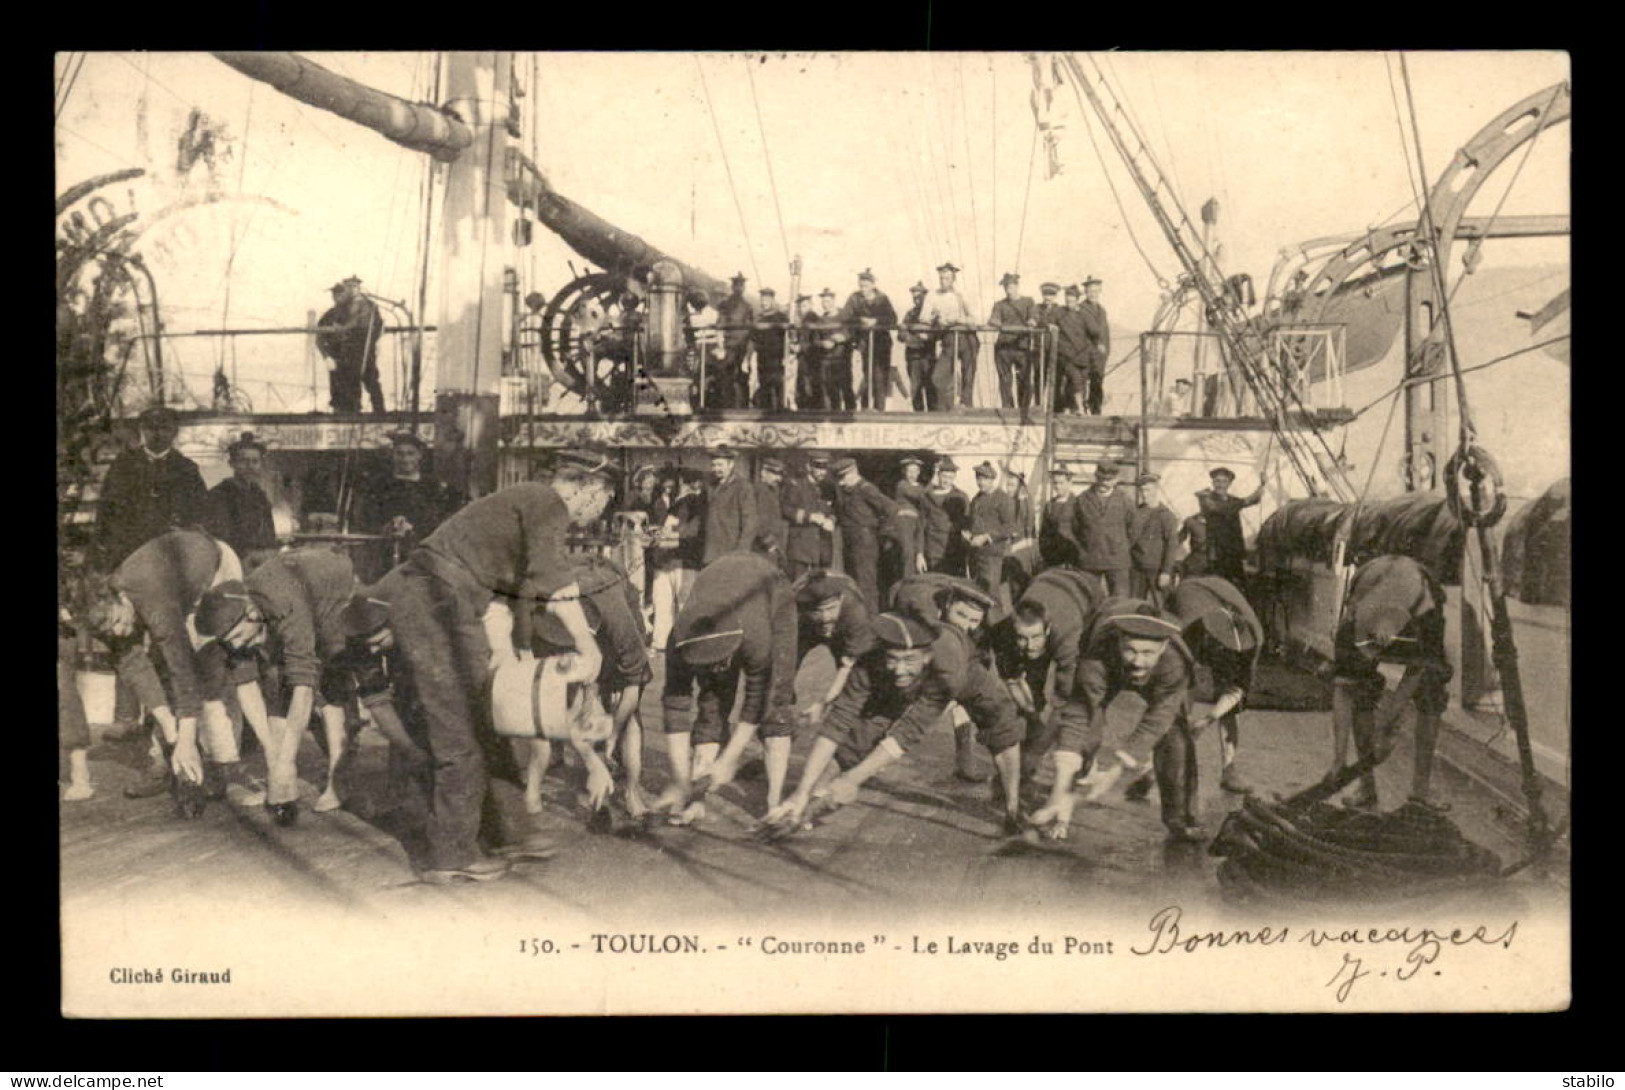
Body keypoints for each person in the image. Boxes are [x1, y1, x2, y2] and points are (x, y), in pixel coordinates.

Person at [379, 455, 614, 883]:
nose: (590, 519)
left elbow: (496, 597)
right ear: (587, 489)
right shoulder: (546, 502)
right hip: (433, 601)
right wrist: (586, 643)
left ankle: (510, 830)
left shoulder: (518, 506)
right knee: (460, 729)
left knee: (490, 717)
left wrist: (502, 659)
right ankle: (450, 853)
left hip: (446, 601)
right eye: (601, 503)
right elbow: (555, 581)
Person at [765, 610, 1025, 836]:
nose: (900, 669)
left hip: (964, 674)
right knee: (858, 737)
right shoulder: (869, 662)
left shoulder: (947, 670)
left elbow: (906, 734)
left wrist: (853, 779)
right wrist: (802, 791)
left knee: (1001, 721)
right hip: (899, 682)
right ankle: (805, 802)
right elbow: (837, 723)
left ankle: (1014, 809)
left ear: (926, 657)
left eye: (909, 660)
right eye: (893, 659)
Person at [82, 529, 264, 809]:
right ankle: (169, 761)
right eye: (112, 631)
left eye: (119, 622)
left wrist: (186, 737)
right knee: (160, 671)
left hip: (214, 569)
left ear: (119, 598)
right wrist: (171, 729)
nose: (120, 631)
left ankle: (223, 764)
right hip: (174, 586)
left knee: (210, 671)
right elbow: (135, 669)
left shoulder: (152, 598)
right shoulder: (107, 615)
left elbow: (183, 667)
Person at [192, 545, 363, 824]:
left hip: (333, 591)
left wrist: (285, 762)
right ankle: (282, 775)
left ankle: (338, 779)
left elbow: (303, 691)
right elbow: (245, 684)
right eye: (228, 641)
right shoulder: (240, 615)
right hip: (289, 590)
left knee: (331, 683)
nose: (235, 645)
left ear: (250, 612)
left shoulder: (285, 605)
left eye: (237, 636)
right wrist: (274, 756)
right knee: (272, 680)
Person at [1030, 601, 1203, 842]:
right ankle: (1067, 795)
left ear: (1164, 647)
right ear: (1120, 640)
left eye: (1147, 653)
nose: (1138, 662)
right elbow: (1079, 714)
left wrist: (1115, 771)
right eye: (1131, 650)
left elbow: (1157, 720)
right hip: (1105, 647)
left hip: (1163, 682)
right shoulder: (1097, 655)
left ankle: (1181, 818)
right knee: (1089, 721)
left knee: (1175, 733)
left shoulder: (1176, 663)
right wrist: (1061, 789)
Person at [657, 551, 799, 820]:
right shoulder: (677, 641)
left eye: (721, 661)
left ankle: (774, 801)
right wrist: (679, 781)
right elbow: (675, 708)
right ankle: (697, 797)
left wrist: (729, 758)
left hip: (769, 589)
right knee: (712, 700)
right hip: (717, 586)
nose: (718, 669)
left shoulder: (755, 638)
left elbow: (758, 698)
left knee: (775, 701)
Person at [526, 554, 654, 821]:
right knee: (578, 703)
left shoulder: (617, 615)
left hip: (614, 618)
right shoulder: (538, 616)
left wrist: (613, 732)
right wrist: (590, 758)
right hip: (571, 612)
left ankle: (631, 789)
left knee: (628, 716)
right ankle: (562, 764)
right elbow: (558, 702)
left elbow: (633, 686)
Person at [1327, 555, 1452, 811]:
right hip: (1375, 580)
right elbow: (1343, 692)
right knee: (1361, 692)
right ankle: (1366, 787)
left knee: (1431, 693)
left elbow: (1415, 674)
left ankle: (1421, 790)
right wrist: (1338, 760)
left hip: (1420, 596)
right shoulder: (1351, 626)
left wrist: (1387, 723)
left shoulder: (1426, 617)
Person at [988, 567, 1107, 783]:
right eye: (1022, 638)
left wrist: (1033, 755)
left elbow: (1066, 700)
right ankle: (1032, 743)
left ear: (1048, 629)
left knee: (1087, 694)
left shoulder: (1068, 637)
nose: (1029, 646)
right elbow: (1012, 680)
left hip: (1087, 594)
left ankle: (1088, 757)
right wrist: (1033, 714)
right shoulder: (1004, 634)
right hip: (1045, 581)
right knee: (1032, 687)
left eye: (1035, 638)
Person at [889, 572, 998, 783]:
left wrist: (954, 697)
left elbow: (969, 680)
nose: (966, 625)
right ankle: (867, 750)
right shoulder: (923, 612)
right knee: (899, 689)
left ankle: (964, 761)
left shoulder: (980, 634)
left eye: (974, 620)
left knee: (962, 691)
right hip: (903, 598)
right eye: (961, 615)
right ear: (947, 606)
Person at [1164, 575, 1263, 796]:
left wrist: (1207, 720)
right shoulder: (1188, 626)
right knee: (1179, 692)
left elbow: (1237, 690)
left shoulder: (1255, 640)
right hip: (1192, 600)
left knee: (1231, 708)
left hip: (1221, 600)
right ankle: (1165, 766)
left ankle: (1229, 770)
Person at [90, 405, 207, 575]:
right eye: (151, 428)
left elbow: (199, 509)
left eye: (165, 428)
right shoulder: (124, 465)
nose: (158, 434)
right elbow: (107, 507)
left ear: (175, 432)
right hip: (130, 549)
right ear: (142, 430)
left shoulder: (186, 468)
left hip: (173, 550)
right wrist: (104, 545)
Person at [354, 431, 458, 581]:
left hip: (423, 557)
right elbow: (366, 518)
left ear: (420, 455)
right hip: (385, 558)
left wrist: (415, 528)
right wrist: (388, 526)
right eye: (400, 454)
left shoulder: (433, 487)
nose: (405, 459)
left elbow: (442, 521)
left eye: (410, 454)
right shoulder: (378, 486)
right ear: (393, 455)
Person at [792, 569, 876, 731]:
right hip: (806, 626)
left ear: (841, 599)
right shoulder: (795, 609)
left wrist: (822, 703)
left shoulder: (855, 611)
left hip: (844, 627)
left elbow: (847, 668)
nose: (825, 617)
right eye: (818, 611)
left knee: (856, 677)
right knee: (785, 668)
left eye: (830, 608)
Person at [203, 431, 280, 571]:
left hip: (261, 562)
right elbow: (220, 536)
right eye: (243, 461)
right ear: (232, 464)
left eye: (255, 461)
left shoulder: (260, 495)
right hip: (233, 561)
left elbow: (269, 532)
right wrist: (245, 555)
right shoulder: (220, 494)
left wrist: (270, 552)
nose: (250, 466)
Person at [832, 456, 899, 611]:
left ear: (854, 473)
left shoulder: (866, 489)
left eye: (843, 477)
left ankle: (870, 618)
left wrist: (884, 534)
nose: (841, 482)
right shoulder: (848, 490)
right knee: (853, 580)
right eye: (839, 478)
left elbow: (891, 508)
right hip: (851, 541)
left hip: (864, 541)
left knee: (865, 582)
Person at [650, 468, 706, 652]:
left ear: (683, 483)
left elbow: (687, 532)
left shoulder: (690, 502)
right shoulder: (686, 502)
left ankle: (665, 642)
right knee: (676, 601)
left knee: (672, 601)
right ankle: (679, 643)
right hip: (679, 558)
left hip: (680, 559)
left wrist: (664, 539)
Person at [316, 277, 387, 414]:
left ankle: (378, 412)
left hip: (362, 350)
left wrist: (374, 342)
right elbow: (320, 336)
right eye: (335, 295)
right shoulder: (331, 314)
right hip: (341, 354)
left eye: (341, 293)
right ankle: (347, 411)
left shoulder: (367, 306)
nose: (337, 297)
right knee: (343, 383)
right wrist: (327, 357)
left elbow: (374, 325)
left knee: (369, 378)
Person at [1070, 461, 1136, 596]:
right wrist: (1086, 547)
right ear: (1096, 477)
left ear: (1116, 480)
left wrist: (1119, 546)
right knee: (1088, 599)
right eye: (1101, 479)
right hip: (1090, 560)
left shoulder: (1125, 501)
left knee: (1120, 602)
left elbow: (1133, 529)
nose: (1104, 483)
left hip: (1117, 561)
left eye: (1109, 480)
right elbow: (1075, 527)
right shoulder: (1082, 500)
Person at [1196, 465, 1266, 588]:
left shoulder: (1233, 501)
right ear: (1212, 482)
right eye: (1217, 481)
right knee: (1218, 585)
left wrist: (1262, 484)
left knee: (1238, 584)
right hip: (1216, 553)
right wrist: (1241, 503)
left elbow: (1253, 500)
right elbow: (1217, 508)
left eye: (1224, 482)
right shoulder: (1206, 498)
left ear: (1229, 484)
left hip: (1234, 551)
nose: (1220, 485)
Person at [840, 269, 899, 410]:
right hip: (865, 343)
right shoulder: (854, 298)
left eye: (866, 286)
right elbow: (845, 317)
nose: (863, 289)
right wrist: (860, 320)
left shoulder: (882, 298)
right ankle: (866, 407)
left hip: (882, 343)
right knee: (868, 375)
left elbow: (892, 318)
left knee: (880, 376)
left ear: (873, 285)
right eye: (861, 286)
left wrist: (876, 321)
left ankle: (879, 409)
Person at [965, 462, 1020, 614]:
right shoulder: (977, 498)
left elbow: (1011, 527)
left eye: (984, 479)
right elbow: (973, 522)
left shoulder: (1003, 499)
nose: (980, 482)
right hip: (976, 555)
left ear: (992, 480)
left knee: (991, 594)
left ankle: (996, 630)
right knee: (978, 593)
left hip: (992, 557)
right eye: (978, 478)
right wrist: (969, 533)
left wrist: (987, 537)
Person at [923, 262, 979, 409]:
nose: (943, 281)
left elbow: (975, 319)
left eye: (947, 278)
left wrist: (958, 320)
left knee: (968, 375)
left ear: (953, 279)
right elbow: (923, 317)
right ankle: (946, 408)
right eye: (941, 278)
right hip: (948, 339)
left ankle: (966, 405)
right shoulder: (932, 295)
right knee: (938, 376)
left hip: (967, 338)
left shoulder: (961, 295)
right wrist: (935, 319)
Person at [1129, 471, 1182, 607]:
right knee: (1134, 606)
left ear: (1156, 489)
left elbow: (1171, 545)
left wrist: (1166, 572)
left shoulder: (1166, 516)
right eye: (1141, 490)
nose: (1144, 494)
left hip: (1157, 570)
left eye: (1148, 490)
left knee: (1162, 607)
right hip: (1137, 570)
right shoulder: (1136, 512)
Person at [782, 453, 837, 579]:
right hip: (801, 547)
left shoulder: (828, 487)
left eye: (824, 468)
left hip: (822, 548)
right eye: (818, 467)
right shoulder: (796, 485)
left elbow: (834, 510)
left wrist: (832, 520)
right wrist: (810, 517)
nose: (822, 472)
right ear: (809, 467)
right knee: (799, 585)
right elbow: (786, 509)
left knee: (820, 588)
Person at [702, 447, 759, 565]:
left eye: (720, 465)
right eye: (714, 465)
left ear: (731, 464)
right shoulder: (712, 486)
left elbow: (750, 522)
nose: (716, 469)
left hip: (731, 553)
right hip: (712, 553)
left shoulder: (743, 487)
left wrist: (742, 551)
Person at [989, 272, 1037, 412]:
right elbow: (994, 319)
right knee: (1005, 379)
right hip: (1004, 347)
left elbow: (1033, 316)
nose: (1008, 290)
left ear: (1017, 286)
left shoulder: (1028, 301)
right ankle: (1008, 408)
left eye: (1010, 286)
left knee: (1024, 378)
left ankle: (1024, 408)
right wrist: (996, 322)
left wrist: (1032, 321)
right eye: (1006, 287)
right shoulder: (999, 304)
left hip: (1022, 346)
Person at [923, 456, 969, 577]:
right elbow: (921, 525)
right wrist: (919, 553)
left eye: (950, 477)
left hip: (954, 549)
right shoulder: (927, 496)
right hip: (933, 549)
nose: (946, 480)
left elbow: (967, 522)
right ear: (938, 475)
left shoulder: (961, 497)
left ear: (954, 478)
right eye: (944, 476)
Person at [715, 273, 755, 409]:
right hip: (729, 347)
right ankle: (726, 410)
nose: (739, 288)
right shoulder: (725, 305)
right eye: (736, 285)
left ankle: (742, 409)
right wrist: (720, 347)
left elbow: (751, 332)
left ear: (744, 287)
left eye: (741, 285)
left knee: (743, 379)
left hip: (743, 348)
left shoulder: (748, 307)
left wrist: (748, 356)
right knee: (726, 379)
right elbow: (719, 326)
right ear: (732, 287)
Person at [815, 288, 856, 411]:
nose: (825, 304)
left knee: (846, 388)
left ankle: (851, 414)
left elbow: (852, 331)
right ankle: (835, 416)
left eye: (827, 301)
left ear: (833, 301)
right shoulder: (821, 320)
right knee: (831, 389)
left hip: (842, 358)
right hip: (827, 359)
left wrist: (842, 337)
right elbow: (815, 339)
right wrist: (823, 343)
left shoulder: (844, 316)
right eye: (823, 302)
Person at [890, 455, 929, 582]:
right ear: (904, 472)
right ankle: (906, 581)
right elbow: (917, 496)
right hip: (905, 523)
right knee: (908, 553)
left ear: (919, 472)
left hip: (917, 522)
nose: (912, 474)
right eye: (909, 471)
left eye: (915, 471)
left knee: (919, 550)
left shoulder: (922, 488)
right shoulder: (902, 485)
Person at [899, 282, 936, 411]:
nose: (916, 300)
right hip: (913, 357)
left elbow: (935, 333)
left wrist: (925, 336)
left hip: (927, 356)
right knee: (915, 390)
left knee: (930, 388)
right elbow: (901, 334)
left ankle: (933, 418)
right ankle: (918, 417)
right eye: (914, 297)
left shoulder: (932, 313)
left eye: (919, 297)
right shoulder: (910, 314)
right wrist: (912, 337)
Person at [1054, 285, 1090, 413]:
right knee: (1075, 379)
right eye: (1067, 301)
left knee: (1082, 381)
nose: (1069, 303)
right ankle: (1080, 408)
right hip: (1067, 355)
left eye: (1072, 301)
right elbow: (1048, 321)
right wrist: (1050, 326)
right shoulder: (1059, 312)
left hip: (1082, 354)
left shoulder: (1083, 315)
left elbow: (1094, 331)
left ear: (1077, 300)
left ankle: (1070, 407)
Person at [751, 287, 790, 411]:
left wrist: (787, 355)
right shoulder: (758, 318)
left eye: (767, 300)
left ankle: (780, 411)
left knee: (778, 386)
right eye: (762, 300)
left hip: (777, 357)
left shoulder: (781, 317)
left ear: (772, 300)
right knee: (764, 386)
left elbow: (789, 336)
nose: (764, 303)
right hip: (762, 357)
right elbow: (753, 339)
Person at [1078, 275, 1111, 415]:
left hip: (1100, 354)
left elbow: (1105, 332)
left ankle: (1096, 410)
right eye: (1091, 291)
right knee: (1082, 381)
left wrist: (1106, 350)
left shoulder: (1102, 310)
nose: (1093, 294)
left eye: (1096, 291)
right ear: (1085, 292)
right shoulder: (1081, 308)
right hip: (1086, 351)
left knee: (1097, 382)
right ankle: (1082, 409)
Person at [1038, 462, 1081, 569]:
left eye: (1061, 483)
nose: (1057, 486)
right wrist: (1047, 554)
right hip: (1053, 559)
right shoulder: (1049, 506)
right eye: (1055, 483)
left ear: (1070, 482)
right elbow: (1043, 534)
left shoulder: (1078, 504)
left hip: (1073, 559)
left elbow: (1084, 532)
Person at [1033, 283, 1066, 410]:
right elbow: (1034, 319)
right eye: (1046, 294)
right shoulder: (1037, 308)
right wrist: (1047, 325)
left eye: (1051, 295)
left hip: (1055, 350)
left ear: (1055, 296)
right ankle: (1038, 405)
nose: (1048, 298)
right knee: (1039, 378)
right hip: (1039, 349)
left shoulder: (1060, 310)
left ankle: (1056, 408)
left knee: (1056, 379)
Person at [754, 456, 789, 564]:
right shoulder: (760, 491)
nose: (779, 478)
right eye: (775, 474)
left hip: (773, 546)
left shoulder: (772, 491)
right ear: (763, 473)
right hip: (764, 548)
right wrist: (770, 543)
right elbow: (758, 521)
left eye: (780, 475)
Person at [796, 294, 826, 410]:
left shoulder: (813, 319)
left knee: (809, 387)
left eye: (804, 305)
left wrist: (800, 347)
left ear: (810, 305)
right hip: (805, 358)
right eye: (800, 306)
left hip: (812, 358)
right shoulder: (804, 320)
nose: (801, 308)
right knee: (805, 386)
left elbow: (815, 341)